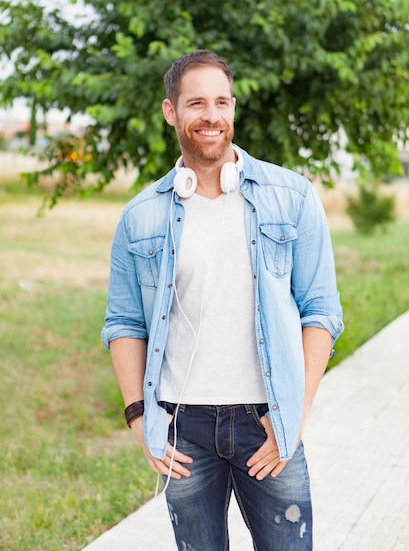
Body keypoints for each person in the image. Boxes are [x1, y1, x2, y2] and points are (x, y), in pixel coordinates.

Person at [101, 50, 343, 550]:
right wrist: (138, 416)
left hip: (268, 420)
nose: (212, 115)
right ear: (171, 111)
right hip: (183, 430)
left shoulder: (292, 197)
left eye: (222, 102)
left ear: (233, 108)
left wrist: (292, 420)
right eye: (196, 103)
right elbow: (124, 322)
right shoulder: (140, 216)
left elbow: (320, 312)